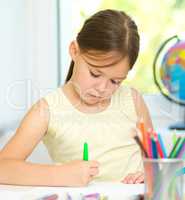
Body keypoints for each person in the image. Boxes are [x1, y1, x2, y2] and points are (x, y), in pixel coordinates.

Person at [0, 9, 153, 187]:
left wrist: (148, 174)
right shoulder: (47, 110)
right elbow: (3, 167)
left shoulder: (133, 100)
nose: (102, 88)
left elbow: (155, 161)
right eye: (95, 74)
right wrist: (60, 175)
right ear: (74, 51)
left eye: (115, 81)